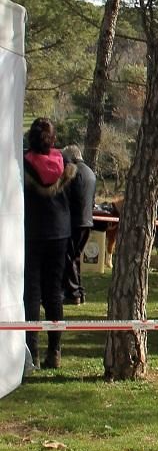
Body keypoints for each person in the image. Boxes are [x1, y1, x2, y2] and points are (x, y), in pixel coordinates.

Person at [23, 118, 77, 369]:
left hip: (32, 232)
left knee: (32, 293)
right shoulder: (64, 164)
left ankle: (30, 350)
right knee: (53, 293)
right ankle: (54, 351)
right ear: (53, 140)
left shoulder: (22, 164)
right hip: (59, 233)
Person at [61, 145, 96, 305]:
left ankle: (73, 293)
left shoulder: (74, 171)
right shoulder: (90, 172)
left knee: (69, 257)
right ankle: (79, 291)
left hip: (75, 221)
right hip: (87, 221)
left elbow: (68, 196)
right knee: (75, 258)